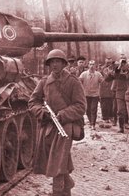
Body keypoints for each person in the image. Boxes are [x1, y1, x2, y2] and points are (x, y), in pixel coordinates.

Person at [28, 49, 86, 196]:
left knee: (58, 158)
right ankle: (68, 184)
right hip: (48, 125)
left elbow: (80, 106)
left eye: (57, 61)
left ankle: (58, 192)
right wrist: (42, 112)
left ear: (63, 64)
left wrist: (63, 115)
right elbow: (33, 102)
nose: (54, 64)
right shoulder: (44, 82)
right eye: (52, 62)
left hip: (67, 126)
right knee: (55, 158)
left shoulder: (73, 82)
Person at [105, 55, 129, 133]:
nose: (123, 64)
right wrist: (118, 68)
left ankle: (126, 123)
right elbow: (108, 79)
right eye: (122, 61)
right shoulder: (116, 69)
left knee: (128, 109)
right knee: (118, 108)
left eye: (124, 62)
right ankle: (120, 125)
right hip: (118, 91)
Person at [79, 60, 103, 130]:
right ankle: (90, 121)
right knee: (87, 109)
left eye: (93, 64)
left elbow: (103, 81)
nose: (92, 66)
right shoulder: (84, 74)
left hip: (95, 95)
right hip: (86, 94)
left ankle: (93, 124)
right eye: (90, 64)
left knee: (93, 109)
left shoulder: (98, 74)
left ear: (95, 66)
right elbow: (78, 81)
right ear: (88, 65)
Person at [99, 57, 115, 123]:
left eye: (110, 62)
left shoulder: (114, 69)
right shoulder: (101, 69)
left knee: (111, 104)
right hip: (103, 88)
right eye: (107, 62)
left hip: (111, 88)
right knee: (104, 104)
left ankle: (111, 116)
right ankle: (105, 117)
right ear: (105, 62)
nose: (108, 64)